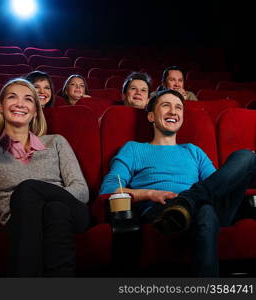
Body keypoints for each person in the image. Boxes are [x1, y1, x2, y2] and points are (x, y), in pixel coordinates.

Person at [100, 89, 256, 277]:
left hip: (204, 204)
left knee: (246, 156)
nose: (173, 112)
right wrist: (150, 194)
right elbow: (109, 189)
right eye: (166, 105)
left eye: (179, 108)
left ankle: (188, 200)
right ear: (150, 116)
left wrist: (191, 198)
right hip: (165, 210)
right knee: (205, 210)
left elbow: (218, 185)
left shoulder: (193, 151)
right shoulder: (133, 149)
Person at [0, 78, 89, 277]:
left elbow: (81, 191)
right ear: (0, 107)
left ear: (35, 110)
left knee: (29, 190)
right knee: (54, 209)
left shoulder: (56, 141)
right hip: (18, 222)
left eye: (28, 99)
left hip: (73, 213)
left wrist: (37, 192)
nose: (20, 103)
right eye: (12, 97)